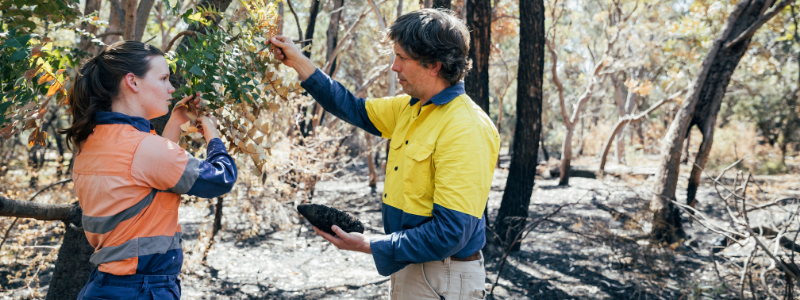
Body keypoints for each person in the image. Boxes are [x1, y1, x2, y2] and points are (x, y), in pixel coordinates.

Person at [268, 9, 499, 300]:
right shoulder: (410, 108)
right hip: (414, 268)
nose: (394, 67)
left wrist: (369, 244)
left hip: (445, 278)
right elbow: (351, 107)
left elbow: (450, 233)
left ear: (434, 65)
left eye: (402, 58)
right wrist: (297, 61)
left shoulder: (466, 127)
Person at [62, 41, 238, 299]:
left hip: (103, 287)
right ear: (132, 82)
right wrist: (212, 132)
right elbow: (222, 178)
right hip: (143, 290)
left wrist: (176, 121)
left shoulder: (91, 141)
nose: (171, 88)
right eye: (164, 78)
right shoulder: (143, 148)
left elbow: (147, 179)